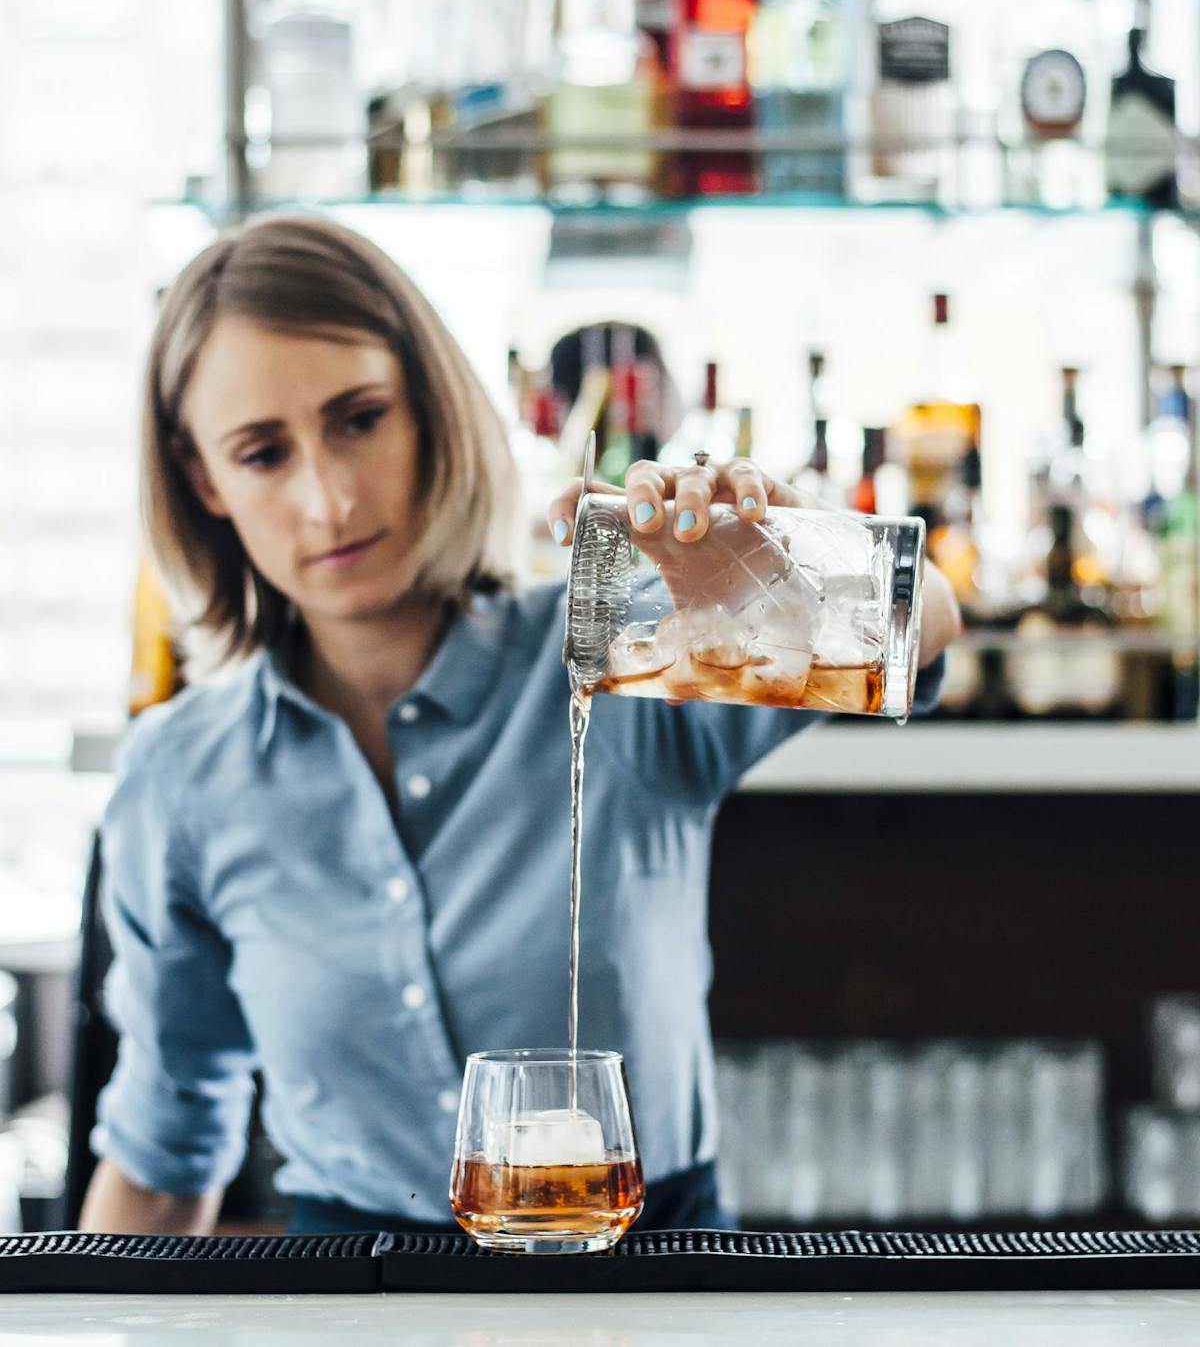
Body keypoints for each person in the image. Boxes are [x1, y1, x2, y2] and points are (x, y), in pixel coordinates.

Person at [79, 214, 960, 1236]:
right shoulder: (181, 778)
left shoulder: (618, 647)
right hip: (347, 1308)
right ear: (204, 483)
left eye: (360, 418)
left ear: (434, 411)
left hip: (656, 1287)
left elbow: (924, 622)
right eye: (263, 453)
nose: (329, 499)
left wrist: (776, 571)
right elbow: (162, 1147)